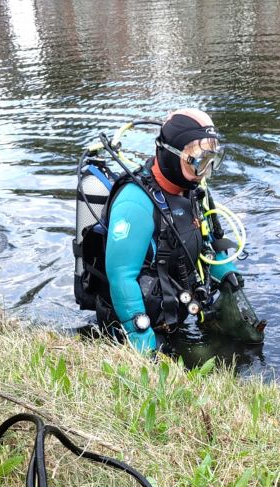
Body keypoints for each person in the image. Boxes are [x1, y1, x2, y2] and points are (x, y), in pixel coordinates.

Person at [101, 108, 265, 353]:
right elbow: (121, 277)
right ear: (170, 154)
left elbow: (207, 244)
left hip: (176, 312)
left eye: (211, 161)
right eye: (197, 162)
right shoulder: (135, 203)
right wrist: (142, 343)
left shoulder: (192, 190)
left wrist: (227, 275)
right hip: (137, 324)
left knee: (242, 351)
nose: (204, 173)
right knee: (203, 361)